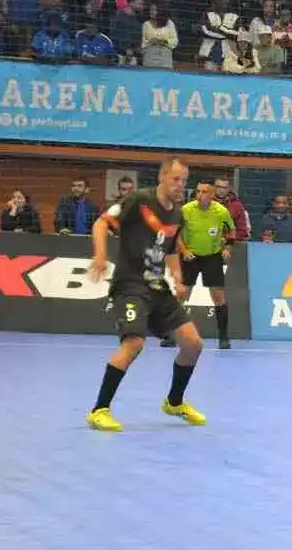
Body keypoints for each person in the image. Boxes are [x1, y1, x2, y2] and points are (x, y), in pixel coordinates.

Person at [86, 157, 207, 432]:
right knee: (134, 344)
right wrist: (101, 256)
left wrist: (177, 277)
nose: (180, 186)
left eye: (184, 181)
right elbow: (101, 224)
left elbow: (172, 248)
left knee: (193, 344)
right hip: (130, 285)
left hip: (157, 287)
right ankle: (99, 410)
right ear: (162, 177)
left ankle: (174, 402)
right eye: (176, 179)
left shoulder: (177, 213)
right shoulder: (139, 200)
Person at [159, 181, 235, 350]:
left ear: (212, 194)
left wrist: (227, 248)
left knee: (218, 297)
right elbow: (176, 234)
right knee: (181, 294)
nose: (200, 194)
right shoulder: (186, 210)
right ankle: (169, 334)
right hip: (190, 257)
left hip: (212, 256)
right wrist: (184, 250)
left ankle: (224, 337)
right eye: (198, 191)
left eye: (204, 191)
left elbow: (231, 231)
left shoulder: (221, 212)